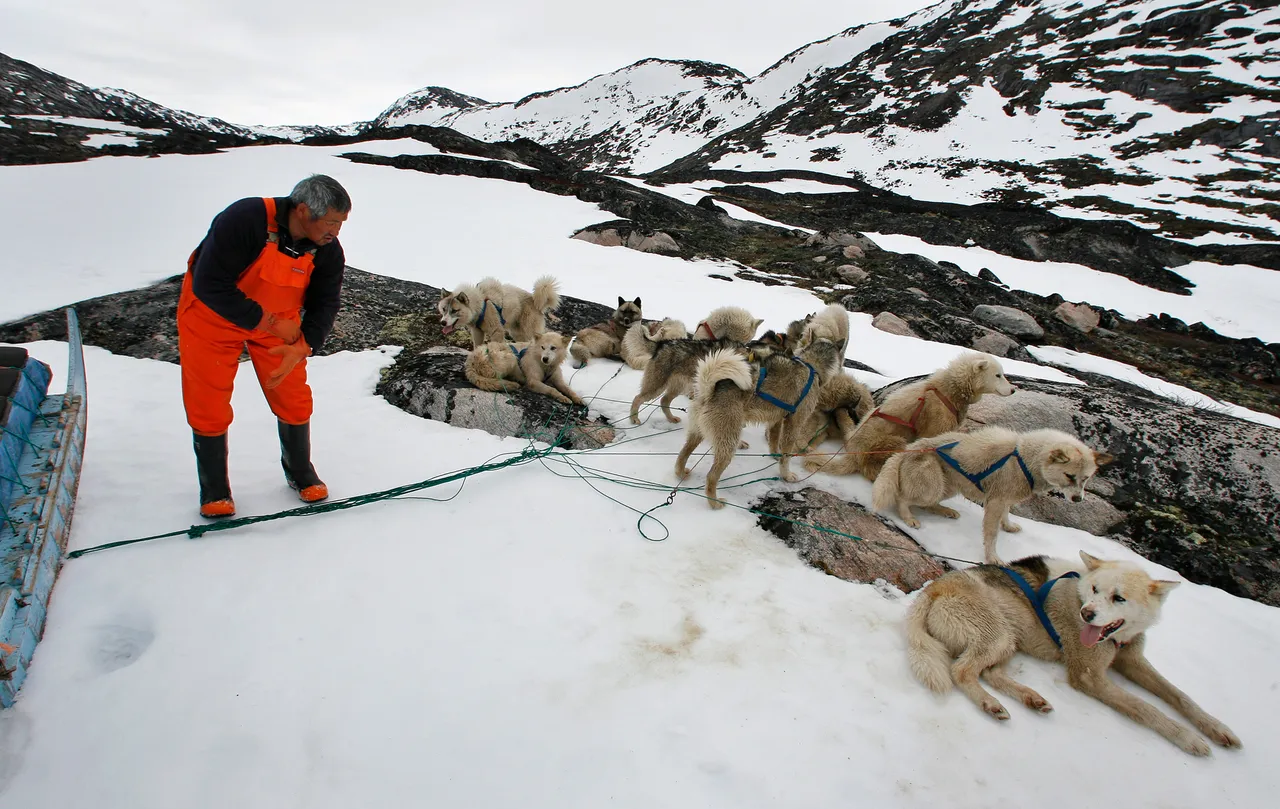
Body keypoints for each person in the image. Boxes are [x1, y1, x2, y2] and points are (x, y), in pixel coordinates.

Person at [176, 174, 351, 518]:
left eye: (341, 224)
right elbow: (209, 284)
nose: (336, 231)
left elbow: (325, 303)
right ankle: (215, 489)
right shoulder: (245, 219)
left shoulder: (327, 250)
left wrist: (304, 346)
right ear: (303, 210)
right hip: (212, 315)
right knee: (207, 400)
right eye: (331, 222)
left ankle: (299, 471)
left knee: (294, 396)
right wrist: (271, 322)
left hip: (278, 320)